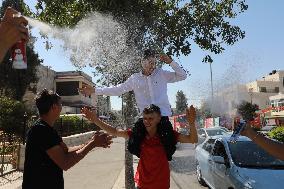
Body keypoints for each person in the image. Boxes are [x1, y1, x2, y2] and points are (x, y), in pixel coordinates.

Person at [79, 49, 187, 156]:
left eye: (154, 63)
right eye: (150, 62)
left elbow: (183, 76)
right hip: (145, 120)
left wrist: (171, 62)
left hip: (162, 118)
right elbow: (118, 89)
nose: (152, 66)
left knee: (169, 149)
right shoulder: (135, 79)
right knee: (133, 146)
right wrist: (95, 90)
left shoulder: (161, 74)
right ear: (142, 62)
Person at [81, 104, 198, 189]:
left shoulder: (168, 135)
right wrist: (95, 120)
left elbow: (193, 139)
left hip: (161, 185)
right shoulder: (138, 135)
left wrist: (192, 123)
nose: (147, 121)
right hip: (142, 184)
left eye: (151, 118)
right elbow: (115, 132)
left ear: (158, 119)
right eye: (145, 118)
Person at [22, 89, 112, 189]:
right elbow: (65, 163)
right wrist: (92, 144)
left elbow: (66, 151)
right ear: (53, 107)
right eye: (60, 104)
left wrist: (91, 141)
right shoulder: (40, 131)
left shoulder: (48, 129)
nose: (61, 107)